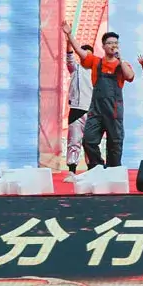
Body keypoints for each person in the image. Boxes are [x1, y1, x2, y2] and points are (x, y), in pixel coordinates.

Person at [62, 21, 135, 169]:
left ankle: (114, 170)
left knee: (115, 142)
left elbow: (130, 76)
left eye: (116, 43)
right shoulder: (96, 62)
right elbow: (80, 52)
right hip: (96, 110)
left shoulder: (122, 64)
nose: (113, 45)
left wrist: (120, 59)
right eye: (110, 43)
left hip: (114, 110)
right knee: (88, 140)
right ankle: (98, 166)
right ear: (103, 46)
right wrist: (69, 35)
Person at [64, 41, 93, 182]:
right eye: (83, 55)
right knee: (74, 141)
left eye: (89, 55)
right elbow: (69, 55)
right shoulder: (75, 68)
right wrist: (69, 41)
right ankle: (71, 171)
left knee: (91, 142)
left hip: (92, 110)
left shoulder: (97, 71)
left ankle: (92, 170)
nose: (86, 57)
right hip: (76, 109)